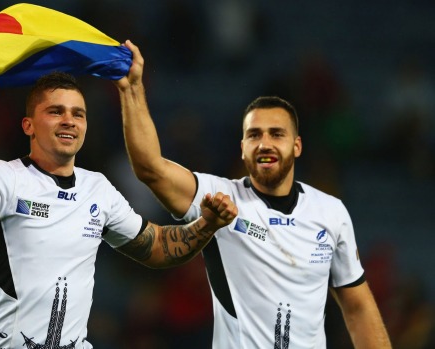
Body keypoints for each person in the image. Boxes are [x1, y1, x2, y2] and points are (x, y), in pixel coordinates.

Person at [0, 71, 238, 349]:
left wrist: (207, 224)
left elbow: (156, 246)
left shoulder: (97, 189)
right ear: (28, 125)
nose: (69, 120)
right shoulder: (5, 178)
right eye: (55, 111)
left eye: (78, 113)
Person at [115, 40, 392, 349]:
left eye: (277, 134)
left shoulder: (331, 212)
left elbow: (358, 306)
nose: (265, 143)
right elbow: (151, 168)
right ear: (243, 148)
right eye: (254, 135)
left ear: (297, 146)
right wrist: (132, 90)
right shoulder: (218, 197)